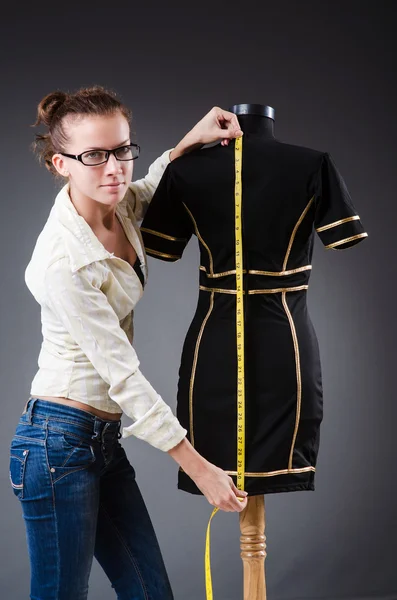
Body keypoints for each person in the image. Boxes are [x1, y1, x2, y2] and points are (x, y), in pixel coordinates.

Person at [8, 85, 248, 600]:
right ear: (60, 164)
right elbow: (124, 377)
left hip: (101, 442)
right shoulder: (63, 262)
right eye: (94, 156)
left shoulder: (115, 208)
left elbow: (148, 185)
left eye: (122, 149)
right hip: (56, 444)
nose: (114, 168)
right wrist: (201, 469)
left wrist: (189, 141)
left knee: (149, 592)